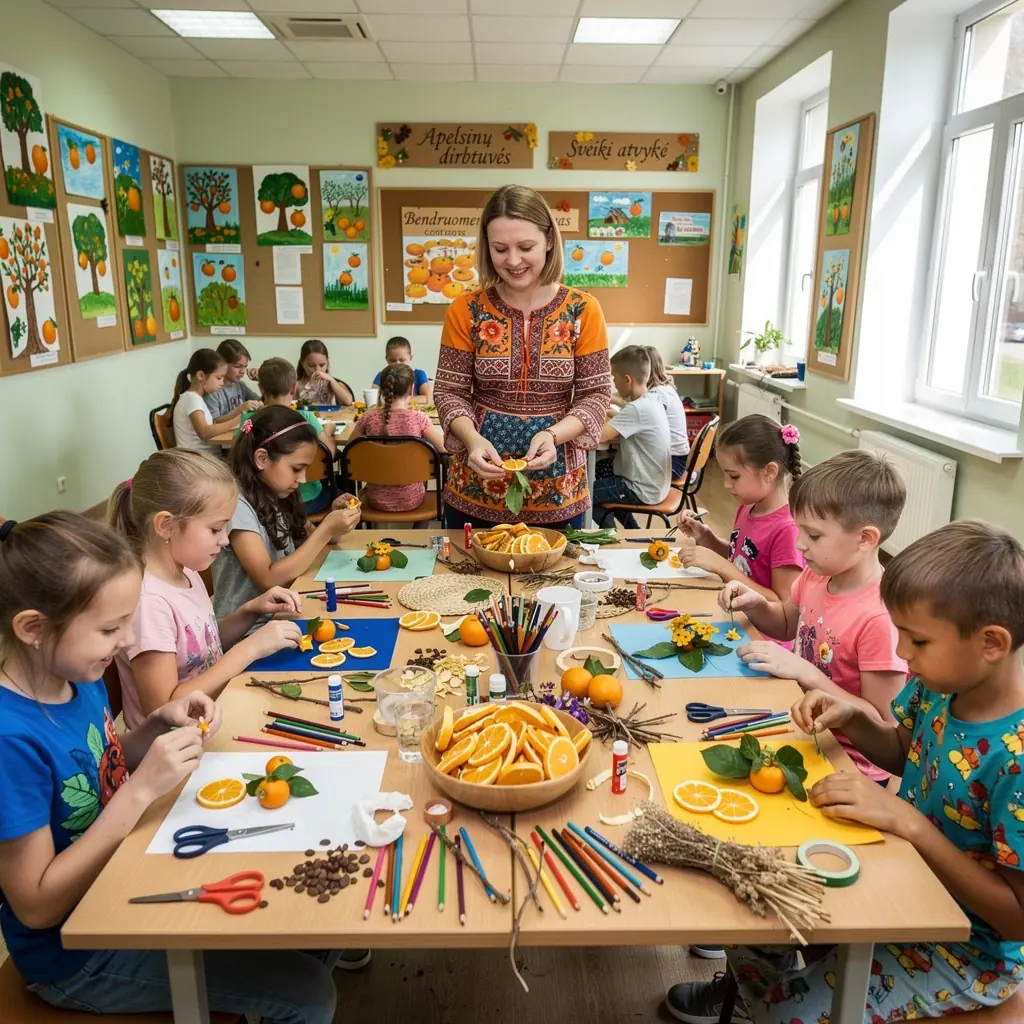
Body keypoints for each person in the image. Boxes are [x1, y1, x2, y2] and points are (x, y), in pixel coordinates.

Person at [667, 520, 1024, 1023]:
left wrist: (909, 823)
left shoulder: (1016, 757)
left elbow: (1015, 918)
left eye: (917, 641)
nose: (902, 654)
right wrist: (853, 716)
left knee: (787, 1011)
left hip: (966, 949)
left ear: (991, 643)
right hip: (905, 869)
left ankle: (777, 1004)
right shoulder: (943, 687)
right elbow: (903, 751)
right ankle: (765, 996)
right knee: (746, 914)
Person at [0, 513, 342, 1023]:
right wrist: (140, 791)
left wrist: (154, 728)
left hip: (126, 873)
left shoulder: (75, 676)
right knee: (310, 996)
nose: (124, 642)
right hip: (78, 956)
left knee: (317, 921)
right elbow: (37, 906)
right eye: (111, 629)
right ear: (32, 628)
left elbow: (104, 763)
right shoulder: (10, 738)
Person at [719, 449, 908, 783]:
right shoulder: (816, 576)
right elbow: (786, 623)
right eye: (799, 530)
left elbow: (883, 724)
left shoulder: (880, 618)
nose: (800, 544)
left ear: (865, 538)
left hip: (849, 764)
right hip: (802, 723)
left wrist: (806, 672)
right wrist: (756, 604)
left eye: (814, 535)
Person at [434, 184, 611, 530]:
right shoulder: (465, 310)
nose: (512, 261)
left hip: (558, 487)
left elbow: (596, 396)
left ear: (548, 240)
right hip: (476, 485)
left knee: (555, 581)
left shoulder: (583, 310)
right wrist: (471, 440)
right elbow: (449, 391)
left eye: (525, 247)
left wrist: (554, 435)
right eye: (500, 249)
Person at [108, 450, 302, 728]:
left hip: (212, 717)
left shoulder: (185, 569)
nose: (225, 540)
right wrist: (248, 650)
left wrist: (250, 610)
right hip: (174, 747)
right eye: (215, 529)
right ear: (166, 526)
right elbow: (163, 708)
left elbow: (201, 646)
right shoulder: (148, 601)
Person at [213, 406, 361, 622]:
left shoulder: (276, 491)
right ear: (262, 459)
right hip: (246, 630)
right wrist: (327, 528)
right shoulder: (236, 504)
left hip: (284, 611)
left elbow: (313, 540)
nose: (302, 479)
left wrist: (335, 521)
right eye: (296, 469)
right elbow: (268, 578)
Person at [678, 415, 804, 643]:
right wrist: (705, 536)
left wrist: (722, 567)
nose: (726, 484)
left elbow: (783, 605)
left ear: (769, 472)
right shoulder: (748, 508)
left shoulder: (788, 530)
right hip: (736, 621)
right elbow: (741, 560)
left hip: (763, 640)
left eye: (734, 476)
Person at [242, 357, 338, 515]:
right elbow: (330, 452)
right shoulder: (305, 418)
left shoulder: (248, 420)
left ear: (261, 389)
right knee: (338, 489)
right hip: (307, 500)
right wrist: (327, 431)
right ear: (294, 389)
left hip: (260, 501)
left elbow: (240, 455)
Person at [350, 363, 446, 516]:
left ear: (382, 388)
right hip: (412, 499)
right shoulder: (419, 418)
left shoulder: (368, 417)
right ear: (411, 388)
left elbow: (351, 448)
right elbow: (443, 448)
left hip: (375, 497)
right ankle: (418, 529)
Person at [593, 345, 670, 529]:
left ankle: (610, 538)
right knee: (602, 468)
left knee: (584, 496)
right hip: (655, 485)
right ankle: (633, 532)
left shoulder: (637, 409)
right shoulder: (651, 400)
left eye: (614, 377)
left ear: (627, 380)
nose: (613, 382)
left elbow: (599, 436)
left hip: (641, 489)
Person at [171, 348, 235, 455]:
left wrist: (238, 416)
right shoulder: (191, 399)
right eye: (219, 378)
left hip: (205, 459)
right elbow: (205, 432)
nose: (222, 383)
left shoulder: (196, 398)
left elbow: (213, 424)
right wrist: (237, 421)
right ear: (201, 375)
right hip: (198, 462)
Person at [645, 346, 689, 478]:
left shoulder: (657, 394)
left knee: (607, 467)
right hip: (676, 459)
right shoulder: (665, 388)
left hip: (671, 464)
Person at [205, 338, 262, 423]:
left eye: (245, 366)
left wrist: (262, 379)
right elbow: (215, 422)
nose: (242, 371)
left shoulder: (240, 385)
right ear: (222, 364)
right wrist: (239, 410)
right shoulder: (213, 391)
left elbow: (263, 401)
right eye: (237, 366)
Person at [372, 336, 433, 403]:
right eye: (392, 360)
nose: (398, 364)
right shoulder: (382, 375)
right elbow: (373, 398)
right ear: (386, 359)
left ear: (410, 358)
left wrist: (398, 401)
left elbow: (427, 398)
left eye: (402, 360)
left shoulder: (419, 374)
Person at [296, 340, 354, 407]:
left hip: (331, 417)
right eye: (311, 366)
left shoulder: (331, 383)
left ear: (327, 363)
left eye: (322, 365)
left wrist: (331, 380)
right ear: (302, 363)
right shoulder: (297, 386)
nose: (317, 370)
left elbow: (349, 401)